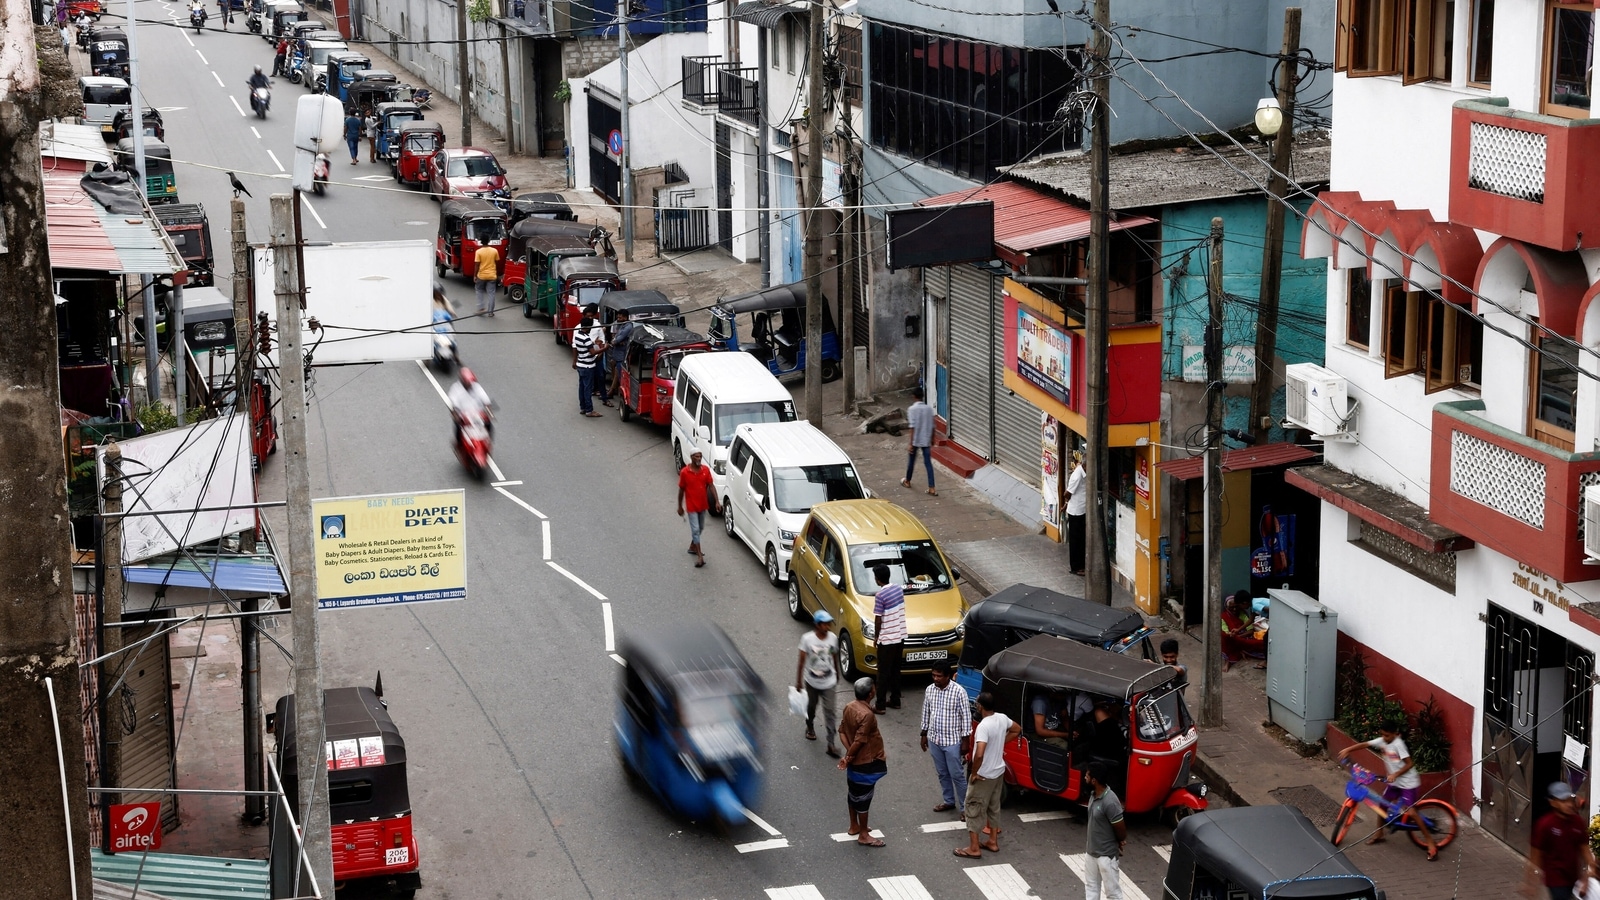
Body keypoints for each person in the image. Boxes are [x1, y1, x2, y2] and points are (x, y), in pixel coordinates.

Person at [1337, 718, 1438, 861]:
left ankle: (1430, 842)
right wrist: (1348, 749)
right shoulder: (1383, 741)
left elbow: (1409, 764)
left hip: (1408, 783)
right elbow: (1365, 744)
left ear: (1395, 734)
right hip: (1395, 783)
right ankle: (1380, 833)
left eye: (1387, 735)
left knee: (1411, 812)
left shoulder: (1399, 745)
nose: (1385, 738)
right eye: (1383, 735)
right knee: (1383, 805)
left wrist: (1395, 774)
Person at [955, 690, 1018, 858]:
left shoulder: (984, 726)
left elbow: (980, 753)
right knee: (994, 807)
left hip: (984, 775)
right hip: (999, 771)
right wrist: (1000, 743)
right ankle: (992, 841)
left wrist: (974, 772)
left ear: (980, 706)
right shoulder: (1002, 718)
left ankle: (974, 848)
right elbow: (1017, 729)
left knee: (973, 808)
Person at [837, 677, 887, 847]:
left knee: (853, 794)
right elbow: (860, 741)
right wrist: (849, 756)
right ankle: (864, 834)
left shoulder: (849, 706)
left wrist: (849, 754)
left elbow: (842, 731)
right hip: (867, 762)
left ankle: (854, 825)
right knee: (864, 798)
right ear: (871, 692)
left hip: (855, 762)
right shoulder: (867, 715)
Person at [919, 660, 970, 814]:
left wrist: (965, 742)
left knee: (957, 775)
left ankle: (965, 809)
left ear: (948, 676)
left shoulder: (959, 692)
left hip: (952, 741)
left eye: (939, 676)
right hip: (934, 739)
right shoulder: (930, 690)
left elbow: (966, 717)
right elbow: (926, 712)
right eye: (933, 675)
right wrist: (924, 734)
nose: (935, 679)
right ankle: (949, 801)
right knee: (942, 773)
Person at [1530, 782, 1596, 899]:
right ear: (1553, 802)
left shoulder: (1578, 822)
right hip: (1555, 879)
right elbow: (1535, 856)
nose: (1569, 804)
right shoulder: (1545, 824)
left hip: (1574, 876)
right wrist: (1531, 882)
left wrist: (1591, 870)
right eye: (1563, 801)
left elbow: (1584, 848)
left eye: (1569, 800)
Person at [796, 609, 842, 758]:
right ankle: (810, 726)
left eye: (829, 624)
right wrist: (798, 681)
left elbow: (834, 656)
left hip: (829, 682)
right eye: (825, 624)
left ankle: (831, 743)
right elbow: (802, 662)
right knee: (811, 708)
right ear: (817, 625)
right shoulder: (807, 639)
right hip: (812, 683)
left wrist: (837, 672)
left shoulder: (833, 638)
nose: (828, 627)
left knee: (830, 712)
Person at [1084, 760, 1128, 900]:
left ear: (1094, 780)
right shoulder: (1093, 794)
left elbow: (1121, 830)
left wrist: (1119, 841)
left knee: (1113, 894)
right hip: (1091, 853)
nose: (1085, 776)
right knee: (1091, 888)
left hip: (1106, 857)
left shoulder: (1110, 801)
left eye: (1087, 774)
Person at [871, 565, 906, 713]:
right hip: (900, 636)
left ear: (877, 579)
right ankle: (895, 699)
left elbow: (878, 619)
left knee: (883, 673)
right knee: (896, 670)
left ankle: (880, 705)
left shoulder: (880, 596)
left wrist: (876, 636)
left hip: (887, 640)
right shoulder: (898, 589)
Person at [676, 449, 719, 566]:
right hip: (691, 506)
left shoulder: (705, 470)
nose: (698, 458)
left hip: (702, 505)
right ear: (691, 457)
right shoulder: (685, 472)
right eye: (696, 456)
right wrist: (680, 506)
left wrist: (717, 501)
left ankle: (693, 546)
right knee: (695, 530)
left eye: (700, 456)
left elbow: (711, 485)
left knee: (700, 528)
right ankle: (700, 556)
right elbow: (681, 490)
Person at [901, 385, 936, 496]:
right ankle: (932, 487)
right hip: (926, 439)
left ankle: (908, 481)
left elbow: (912, 427)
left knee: (911, 462)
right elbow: (933, 426)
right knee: (928, 463)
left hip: (916, 439)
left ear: (914, 396)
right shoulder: (929, 409)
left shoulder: (912, 409)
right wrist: (932, 439)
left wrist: (911, 443)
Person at [1222, 590, 1266, 671]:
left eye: (1236, 607)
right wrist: (1235, 633)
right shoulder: (1223, 616)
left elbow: (1250, 630)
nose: (1234, 609)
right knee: (1225, 638)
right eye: (1231, 608)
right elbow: (1226, 632)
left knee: (1263, 641)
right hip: (1232, 638)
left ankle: (1264, 660)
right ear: (1227, 607)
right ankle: (1228, 661)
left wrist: (1238, 636)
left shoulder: (1245, 612)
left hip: (1243, 637)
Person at [571, 307, 603, 418]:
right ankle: (589, 410)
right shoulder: (586, 338)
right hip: (588, 366)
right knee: (588, 389)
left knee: (582, 387)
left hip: (580, 365)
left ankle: (583, 407)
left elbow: (581, 347)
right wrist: (604, 348)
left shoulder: (578, 335)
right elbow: (593, 352)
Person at [445, 367, 491, 443]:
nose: (470, 385)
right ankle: (458, 443)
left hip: (477, 415)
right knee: (458, 428)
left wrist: (489, 412)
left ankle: (488, 440)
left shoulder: (476, 387)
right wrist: (455, 415)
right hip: (463, 417)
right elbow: (453, 404)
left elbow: (486, 400)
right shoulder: (456, 389)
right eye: (468, 383)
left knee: (488, 424)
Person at [605, 309, 633, 402]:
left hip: (622, 355)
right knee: (616, 374)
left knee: (621, 378)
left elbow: (617, 339)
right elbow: (616, 337)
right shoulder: (622, 325)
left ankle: (623, 399)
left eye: (620, 317)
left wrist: (615, 342)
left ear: (625, 317)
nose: (618, 318)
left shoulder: (628, 327)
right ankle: (612, 391)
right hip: (617, 354)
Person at [1066, 451, 1087, 575]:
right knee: (1076, 541)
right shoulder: (1077, 475)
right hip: (1075, 511)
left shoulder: (1083, 473)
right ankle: (1076, 567)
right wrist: (1066, 503)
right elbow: (1068, 492)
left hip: (1082, 509)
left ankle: (1080, 565)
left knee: (1081, 540)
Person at [472, 241, 500, 318]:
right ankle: (490, 312)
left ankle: (481, 309)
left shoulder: (478, 252)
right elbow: (497, 262)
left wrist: (475, 276)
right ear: (488, 242)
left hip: (481, 276)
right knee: (491, 293)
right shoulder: (494, 251)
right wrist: (495, 272)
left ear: (481, 242)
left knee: (479, 290)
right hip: (492, 275)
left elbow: (477, 265)